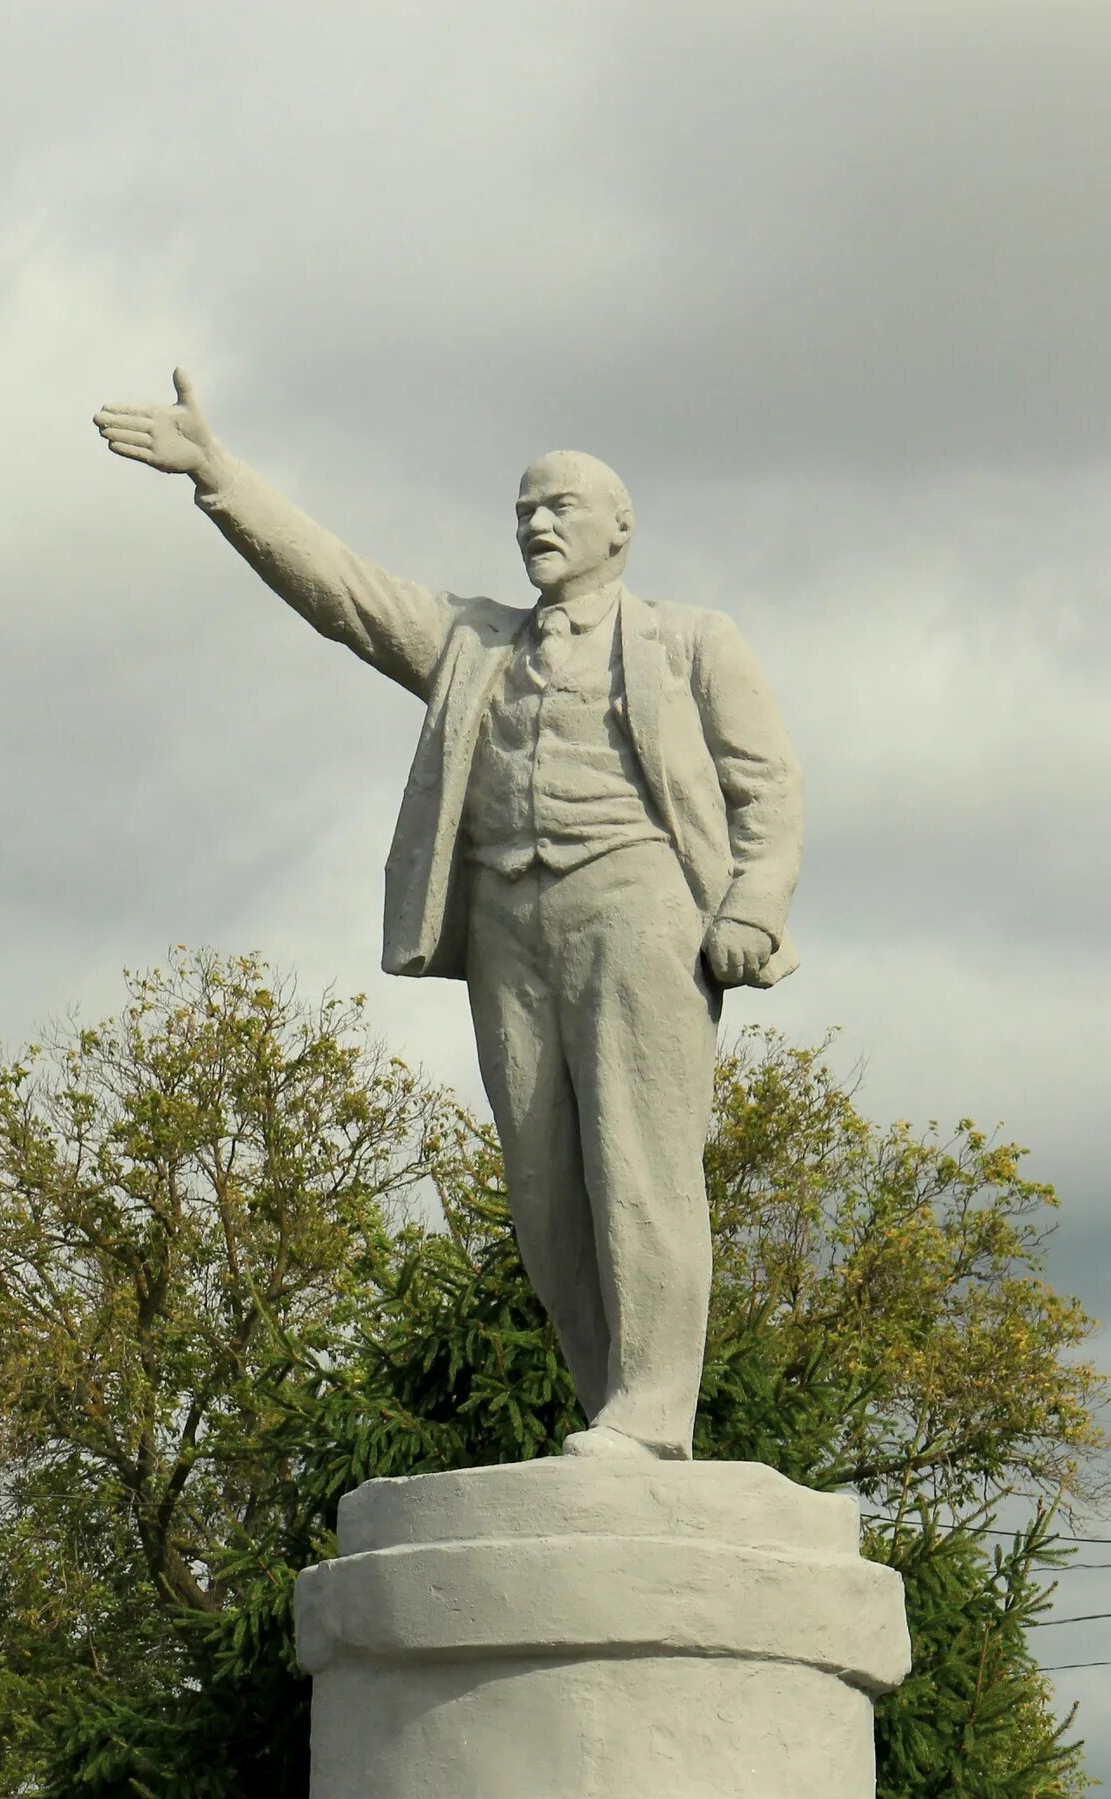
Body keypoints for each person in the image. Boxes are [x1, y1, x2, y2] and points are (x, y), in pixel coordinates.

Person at [94, 371, 803, 1459]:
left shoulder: (692, 639)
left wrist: (753, 899)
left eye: (557, 505)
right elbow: (342, 591)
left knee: (640, 1165)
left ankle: (651, 1413)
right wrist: (217, 476)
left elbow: (765, 782)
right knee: (543, 1190)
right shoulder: (471, 644)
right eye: (522, 508)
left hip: (638, 905)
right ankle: (605, 1406)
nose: (533, 522)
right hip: (507, 923)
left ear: (620, 528)